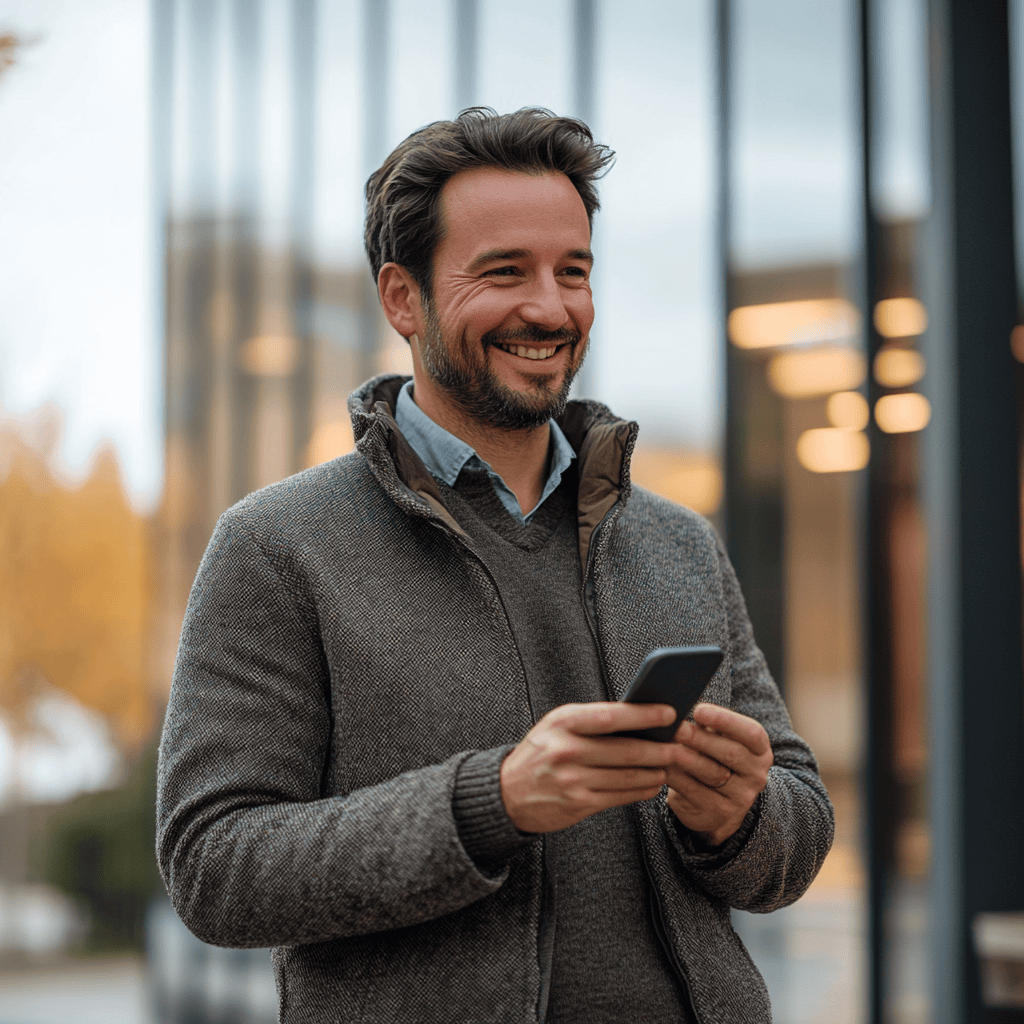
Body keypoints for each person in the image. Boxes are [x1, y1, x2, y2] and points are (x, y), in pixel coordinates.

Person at [157, 107, 834, 1024]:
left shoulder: (679, 543)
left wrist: (740, 818)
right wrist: (489, 803)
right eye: (504, 272)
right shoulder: (278, 547)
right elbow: (214, 866)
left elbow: (796, 828)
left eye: (574, 272)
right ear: (404, 299)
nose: (550, 309)